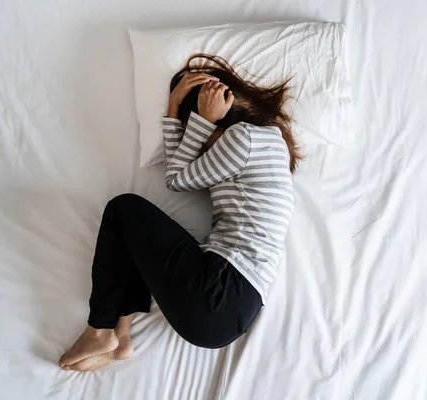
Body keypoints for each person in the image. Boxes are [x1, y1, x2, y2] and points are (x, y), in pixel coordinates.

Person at [58, 54, 302, 372]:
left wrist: (190, 116)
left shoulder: (241, 139)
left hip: (220, 292)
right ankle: (121, 335)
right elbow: (183, 171)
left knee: (123, 209)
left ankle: (97, 329)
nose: (196, 139)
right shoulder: (270, 141)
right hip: (234, 307)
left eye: (194, 127)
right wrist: (177, 110)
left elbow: (176, 179)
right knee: (141, 234)